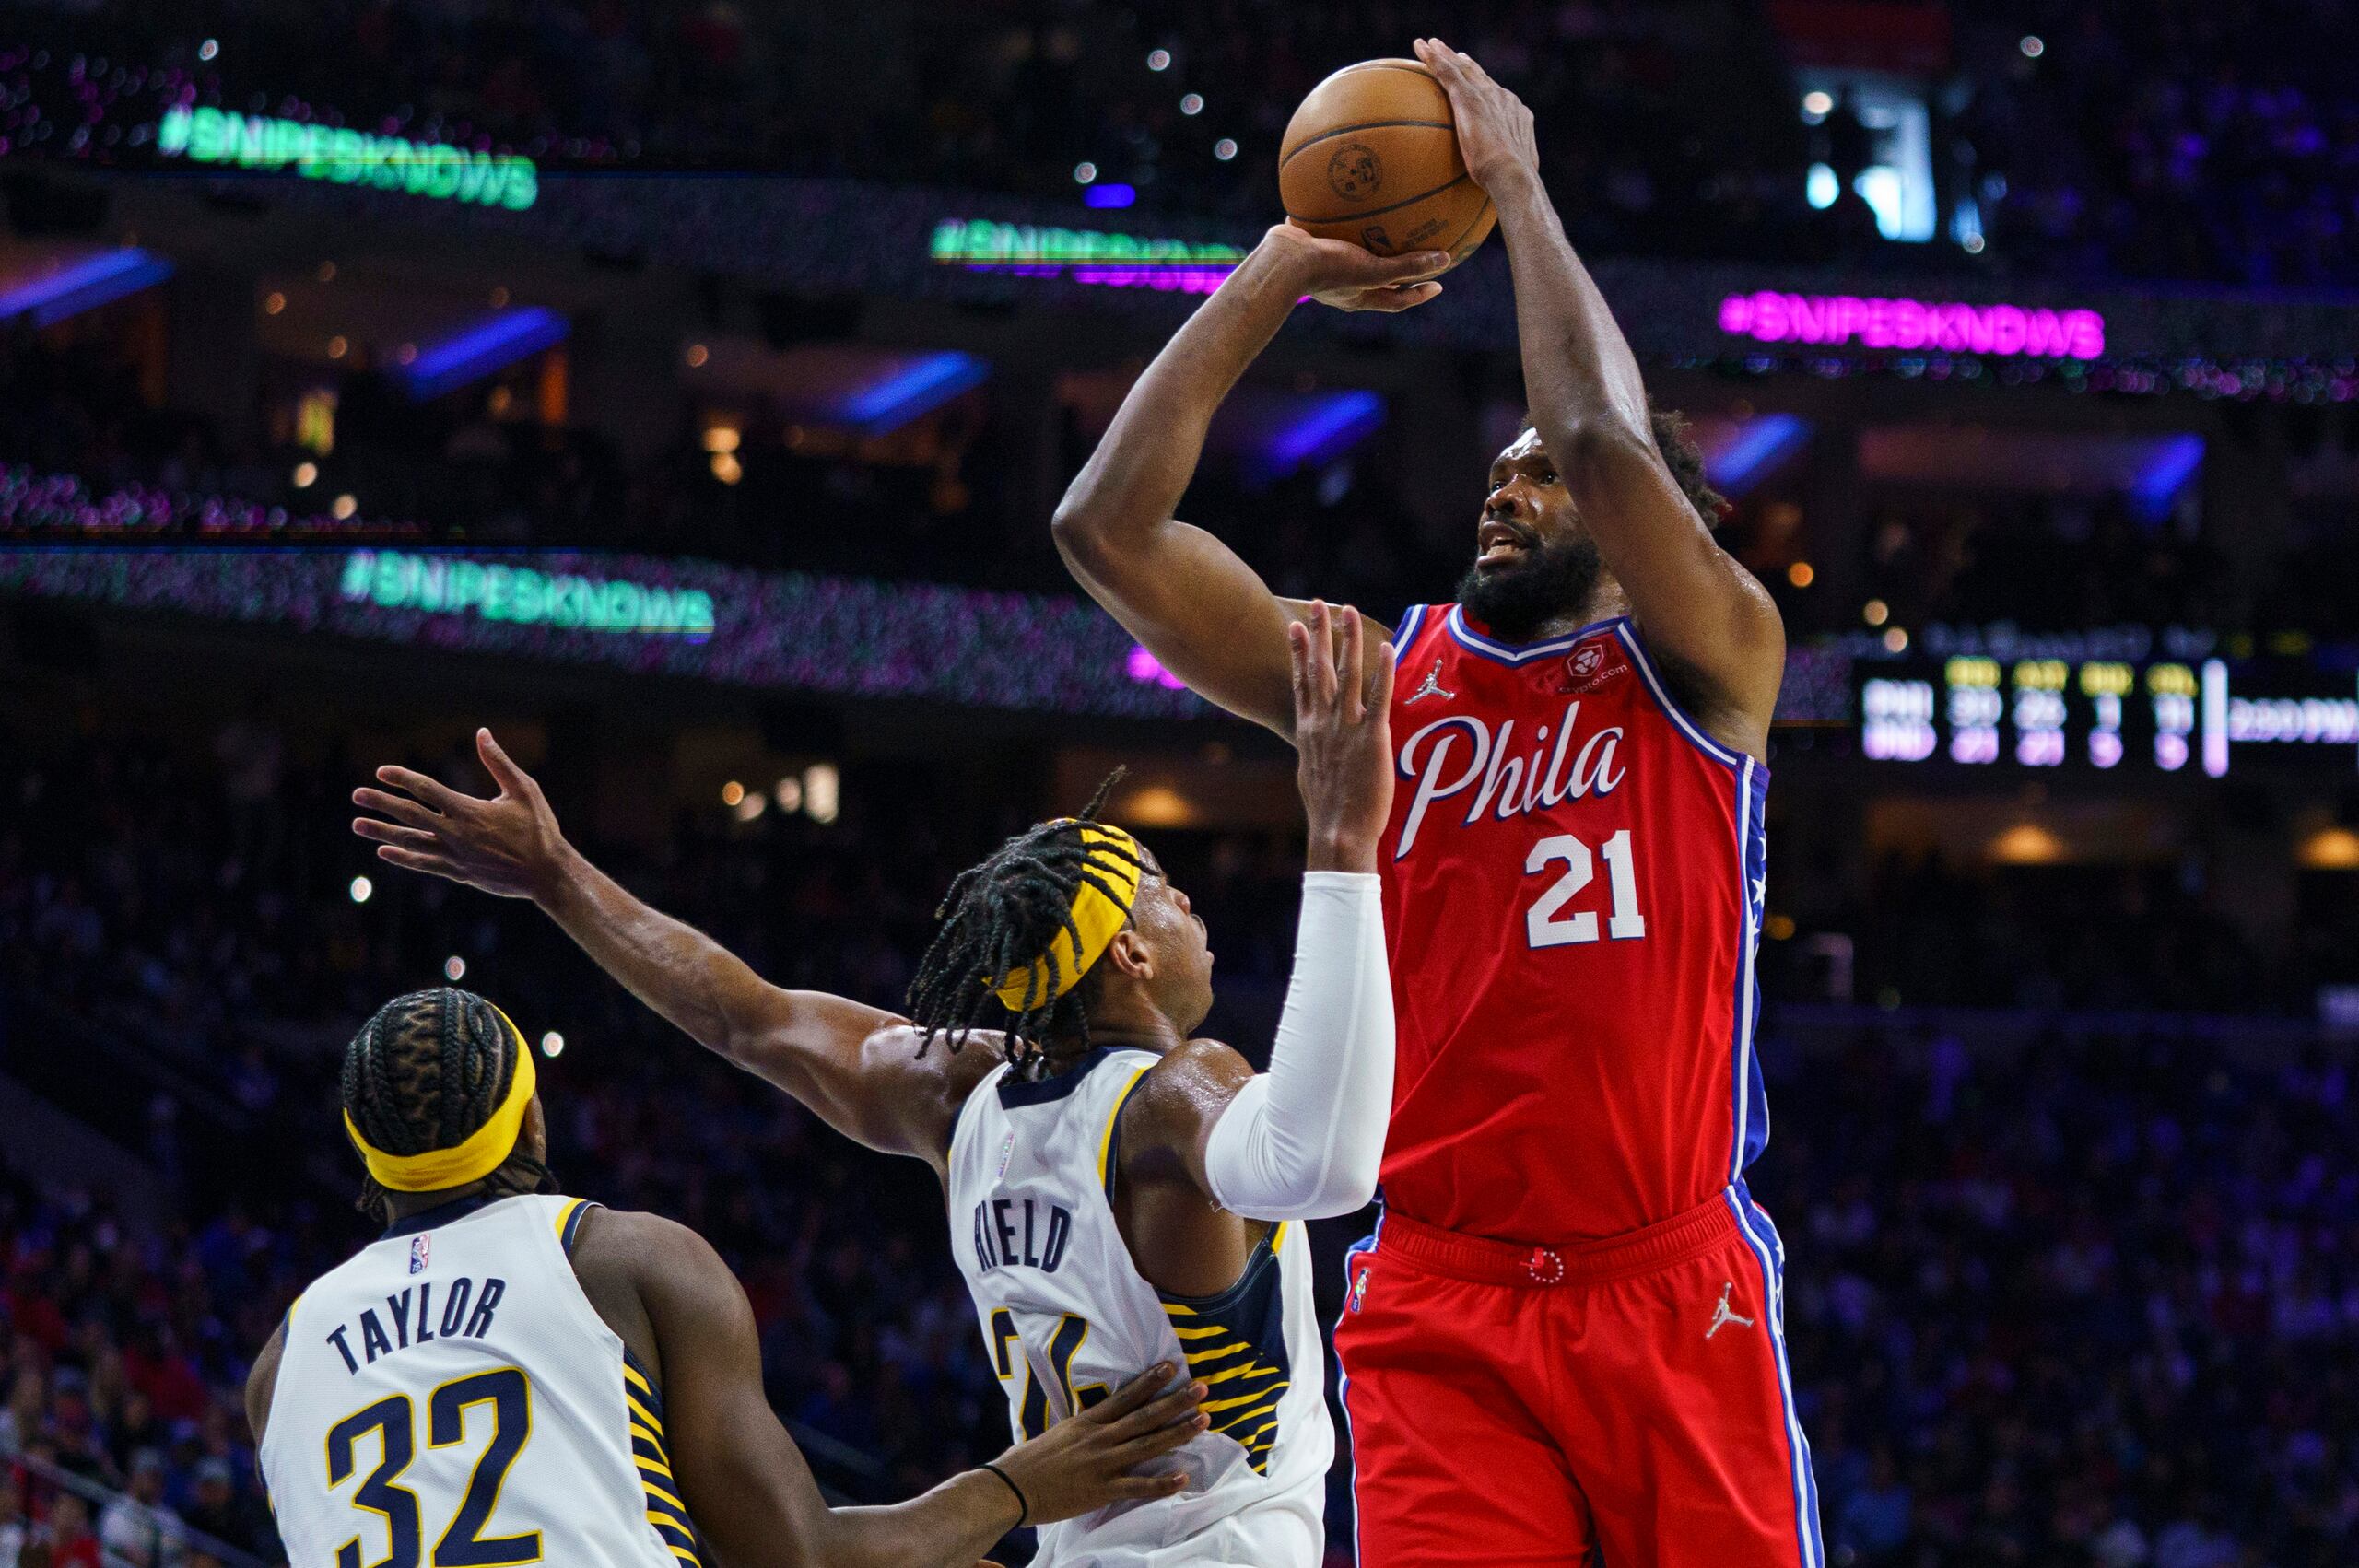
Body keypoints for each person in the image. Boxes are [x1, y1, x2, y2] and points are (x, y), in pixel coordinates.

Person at [1046, 35, 1816, 1568]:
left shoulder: (1713, 664)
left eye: (1534, 477)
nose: (1506, 485)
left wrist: (1515, 188)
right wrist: (1276, 271)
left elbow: (1600, 435)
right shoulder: (1381, 684)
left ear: (1636, 526)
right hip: (1440, 1294)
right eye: (1496, 470)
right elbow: (1105, 528)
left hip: (1670, 1278)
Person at [349, 603, 1399, 1567]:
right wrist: (1341, 838)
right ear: (1127, 952)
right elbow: (1324, 1162)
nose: (1190, 905)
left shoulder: (956, 1096)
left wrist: (557, 877)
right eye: (1165, 893)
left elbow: (741, 1014)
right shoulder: (1177, 1093)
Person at [246, 986, 1209, 1568]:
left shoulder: (279, 1364)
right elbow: (800, 1560)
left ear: (365, 1154)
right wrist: (1018, 1484)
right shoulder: (620, 1258)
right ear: (532, 1123)